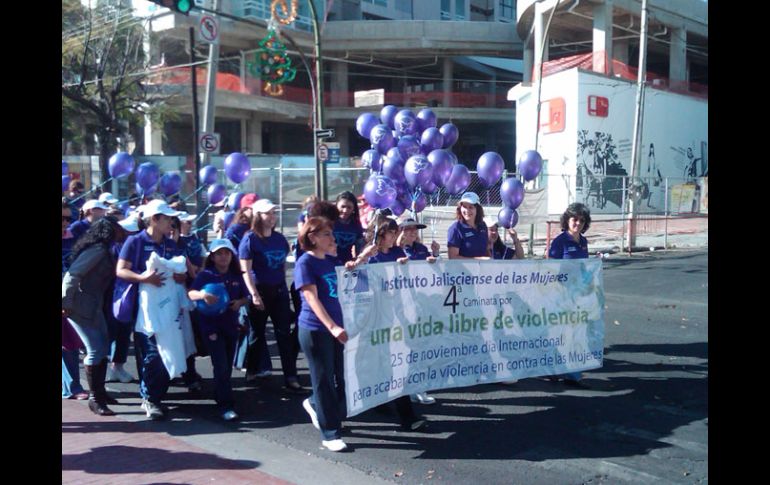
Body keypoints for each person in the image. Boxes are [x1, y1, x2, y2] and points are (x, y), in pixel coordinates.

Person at [344, 215, 427, 429]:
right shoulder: (370, 255)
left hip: (393, 316)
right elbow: (353, 281)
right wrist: (360, 260)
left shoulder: (398, 253)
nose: (395, 236)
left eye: (395, 232)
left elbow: (404, 282)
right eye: (391, 232)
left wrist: (404, 268)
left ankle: (407, 416)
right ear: (381, 233)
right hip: (373, 318)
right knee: (374, 364)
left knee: (396, 365)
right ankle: (370, 402)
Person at [116, 200, 187, 420]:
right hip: (142, 308)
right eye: (166, 218)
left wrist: (179, 276)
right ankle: (150, 398)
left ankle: (156, 396)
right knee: (151, 354)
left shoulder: (171, 243)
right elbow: (120, 270)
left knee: (170, 351)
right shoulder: (135, 241)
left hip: (169, 307)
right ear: (154, 219)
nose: (171, 222)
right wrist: (142, 278)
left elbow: (181, 273)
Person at [294, 216, 349, 452]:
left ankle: (315, 403)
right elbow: (311, 298)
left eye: (330, 233)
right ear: (312, 237)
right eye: (326, 234)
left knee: (340, 376)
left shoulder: (330, 260)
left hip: (336, 328)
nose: (331, 238)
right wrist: (333, 327)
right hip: (316, 330)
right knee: (324, 378)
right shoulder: (305, 263)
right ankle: (330, 433)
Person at [62, 217, 127, 416]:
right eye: (117, 228)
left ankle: (100, 392)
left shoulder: (105, 250)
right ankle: (95, 398)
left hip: (93, 306)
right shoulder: (98, 250)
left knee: (102, 347)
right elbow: (73, 275)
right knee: (95, 349)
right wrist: (65, 302)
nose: (121, 231)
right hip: (80, 307)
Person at [239, 199, 305, 393]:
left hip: (278, 292)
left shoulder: (279, 238)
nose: (273, 217)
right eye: (268, 213)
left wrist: (283, 287)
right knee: (256, 334)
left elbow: (283, 264)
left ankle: (290, 377)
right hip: (259, 292)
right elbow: (245, 271)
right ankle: (251, 370)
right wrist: (254, 295)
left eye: (274, 213)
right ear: (258, 216)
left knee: (284, 334)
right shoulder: (249, 239)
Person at [188, 239, 250, 421]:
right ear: (212, 257)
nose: (223, 257)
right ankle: (225, 405)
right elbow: (190, 292)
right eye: (219, 254)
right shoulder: (206, 275)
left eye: (227, 253)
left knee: (227, 365)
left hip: (230, 325)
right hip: (211, 326)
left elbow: (245, 297)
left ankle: (220, 393)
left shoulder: (236, 275)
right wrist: (202, 295)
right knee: (220, 364)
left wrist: (239, 302)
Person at [547, 202, 594, 388]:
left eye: (582, 221)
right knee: (561, 333)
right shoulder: (559, 242)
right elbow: (550, 269)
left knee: (577, 334)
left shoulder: (583, 242)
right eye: (575, 219)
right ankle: (552, 369)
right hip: (562, 295)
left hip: (579, 294)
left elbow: (585, 267)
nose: (578, 223)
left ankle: (573, 374)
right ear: (567, 220)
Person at [395, 218, 439, 405]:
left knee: (421, 346)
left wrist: (434, 257)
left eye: (415, 229)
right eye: (408, 229)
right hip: (402, 305)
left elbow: (431, 274)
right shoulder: (396, 250)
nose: (412, 232)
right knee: (404, 347)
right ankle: (400, 387)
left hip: (421, 302)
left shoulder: (421, 249)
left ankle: (418, 387)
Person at [62, 199, 88, 401]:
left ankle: (73, 386)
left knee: (69, 343)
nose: (65, 223)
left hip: (67, 298)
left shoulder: (72, 238)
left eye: (68, 219)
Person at [447, 192, 490, 260]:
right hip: (462, 270)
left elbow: (486, 249)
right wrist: (478, 260)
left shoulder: (483, 225)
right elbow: (453, 257)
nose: (467, 210)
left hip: (482, 269)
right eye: (464, 207)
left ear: (477, 209)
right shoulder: (455, 229)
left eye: (471, 207)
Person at [333, 191, 365, 264]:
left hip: (348, 264)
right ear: (337, 205)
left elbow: (359, 248)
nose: (345, 210)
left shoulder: (356, 224)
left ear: (354, 209)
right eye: (343, 206)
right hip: (329, 262)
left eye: (349, 207)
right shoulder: (329, 222)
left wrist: (358, 261)